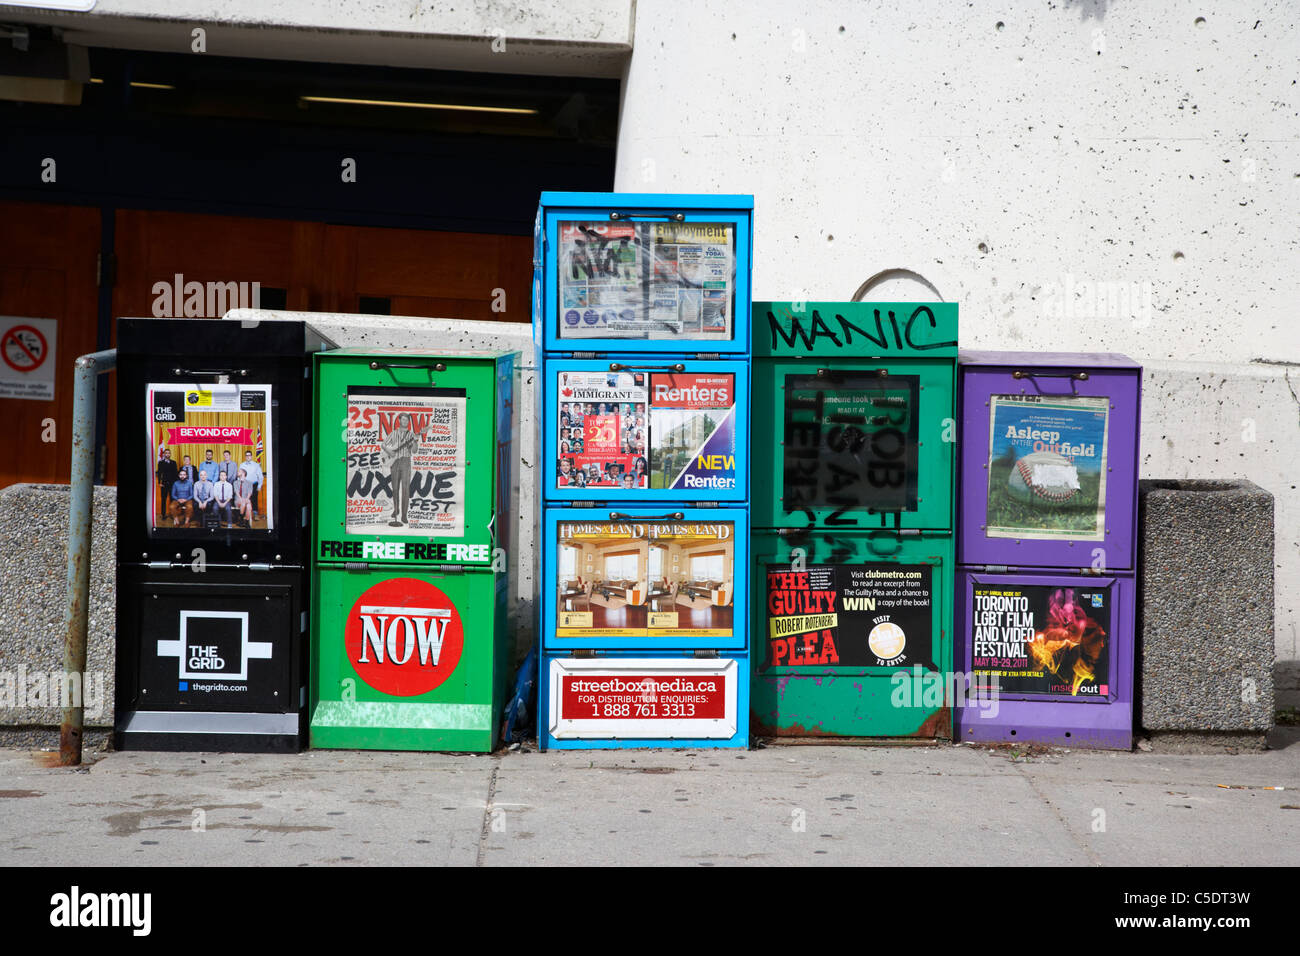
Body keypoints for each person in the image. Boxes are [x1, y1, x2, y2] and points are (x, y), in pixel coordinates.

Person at [382, 412, 419, 526]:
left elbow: (414, 451)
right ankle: (396, 510)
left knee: (405, 489)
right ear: (399, 421)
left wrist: (415, 441)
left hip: (406, 462)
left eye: (407, 420)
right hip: (395, 462)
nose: (405, 422)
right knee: (395, 488)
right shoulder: (393, 433)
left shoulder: (411, 434)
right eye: (403, 420)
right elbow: (383, 445)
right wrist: (391, 452)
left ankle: (404, 515)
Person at [156, 448, 179, 522]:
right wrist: (159, 482)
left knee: (172, 499)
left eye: (169, 453)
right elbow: (159, 473)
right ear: (164, 454)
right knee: (164, 499)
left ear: (170, 454)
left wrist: (175, 484)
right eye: (166, 453)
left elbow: (176, 474)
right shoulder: (161, 462)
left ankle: (173, 514)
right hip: (164, 484)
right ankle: (163, 515)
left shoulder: (173, 462)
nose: (167, 454)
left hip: (172, 484)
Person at [240, 450, 264, 523]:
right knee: (245, 500)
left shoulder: (256, 465)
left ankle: (255, 514)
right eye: (246, 455)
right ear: (245, 456)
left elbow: (260, 476)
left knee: (254, 500)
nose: (248, 457)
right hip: (245, 485)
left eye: (249, 455)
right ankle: (245, 514)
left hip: (254, 484)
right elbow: (240, 475)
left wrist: (259, 485)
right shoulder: (242, 465)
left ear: (251, 456)